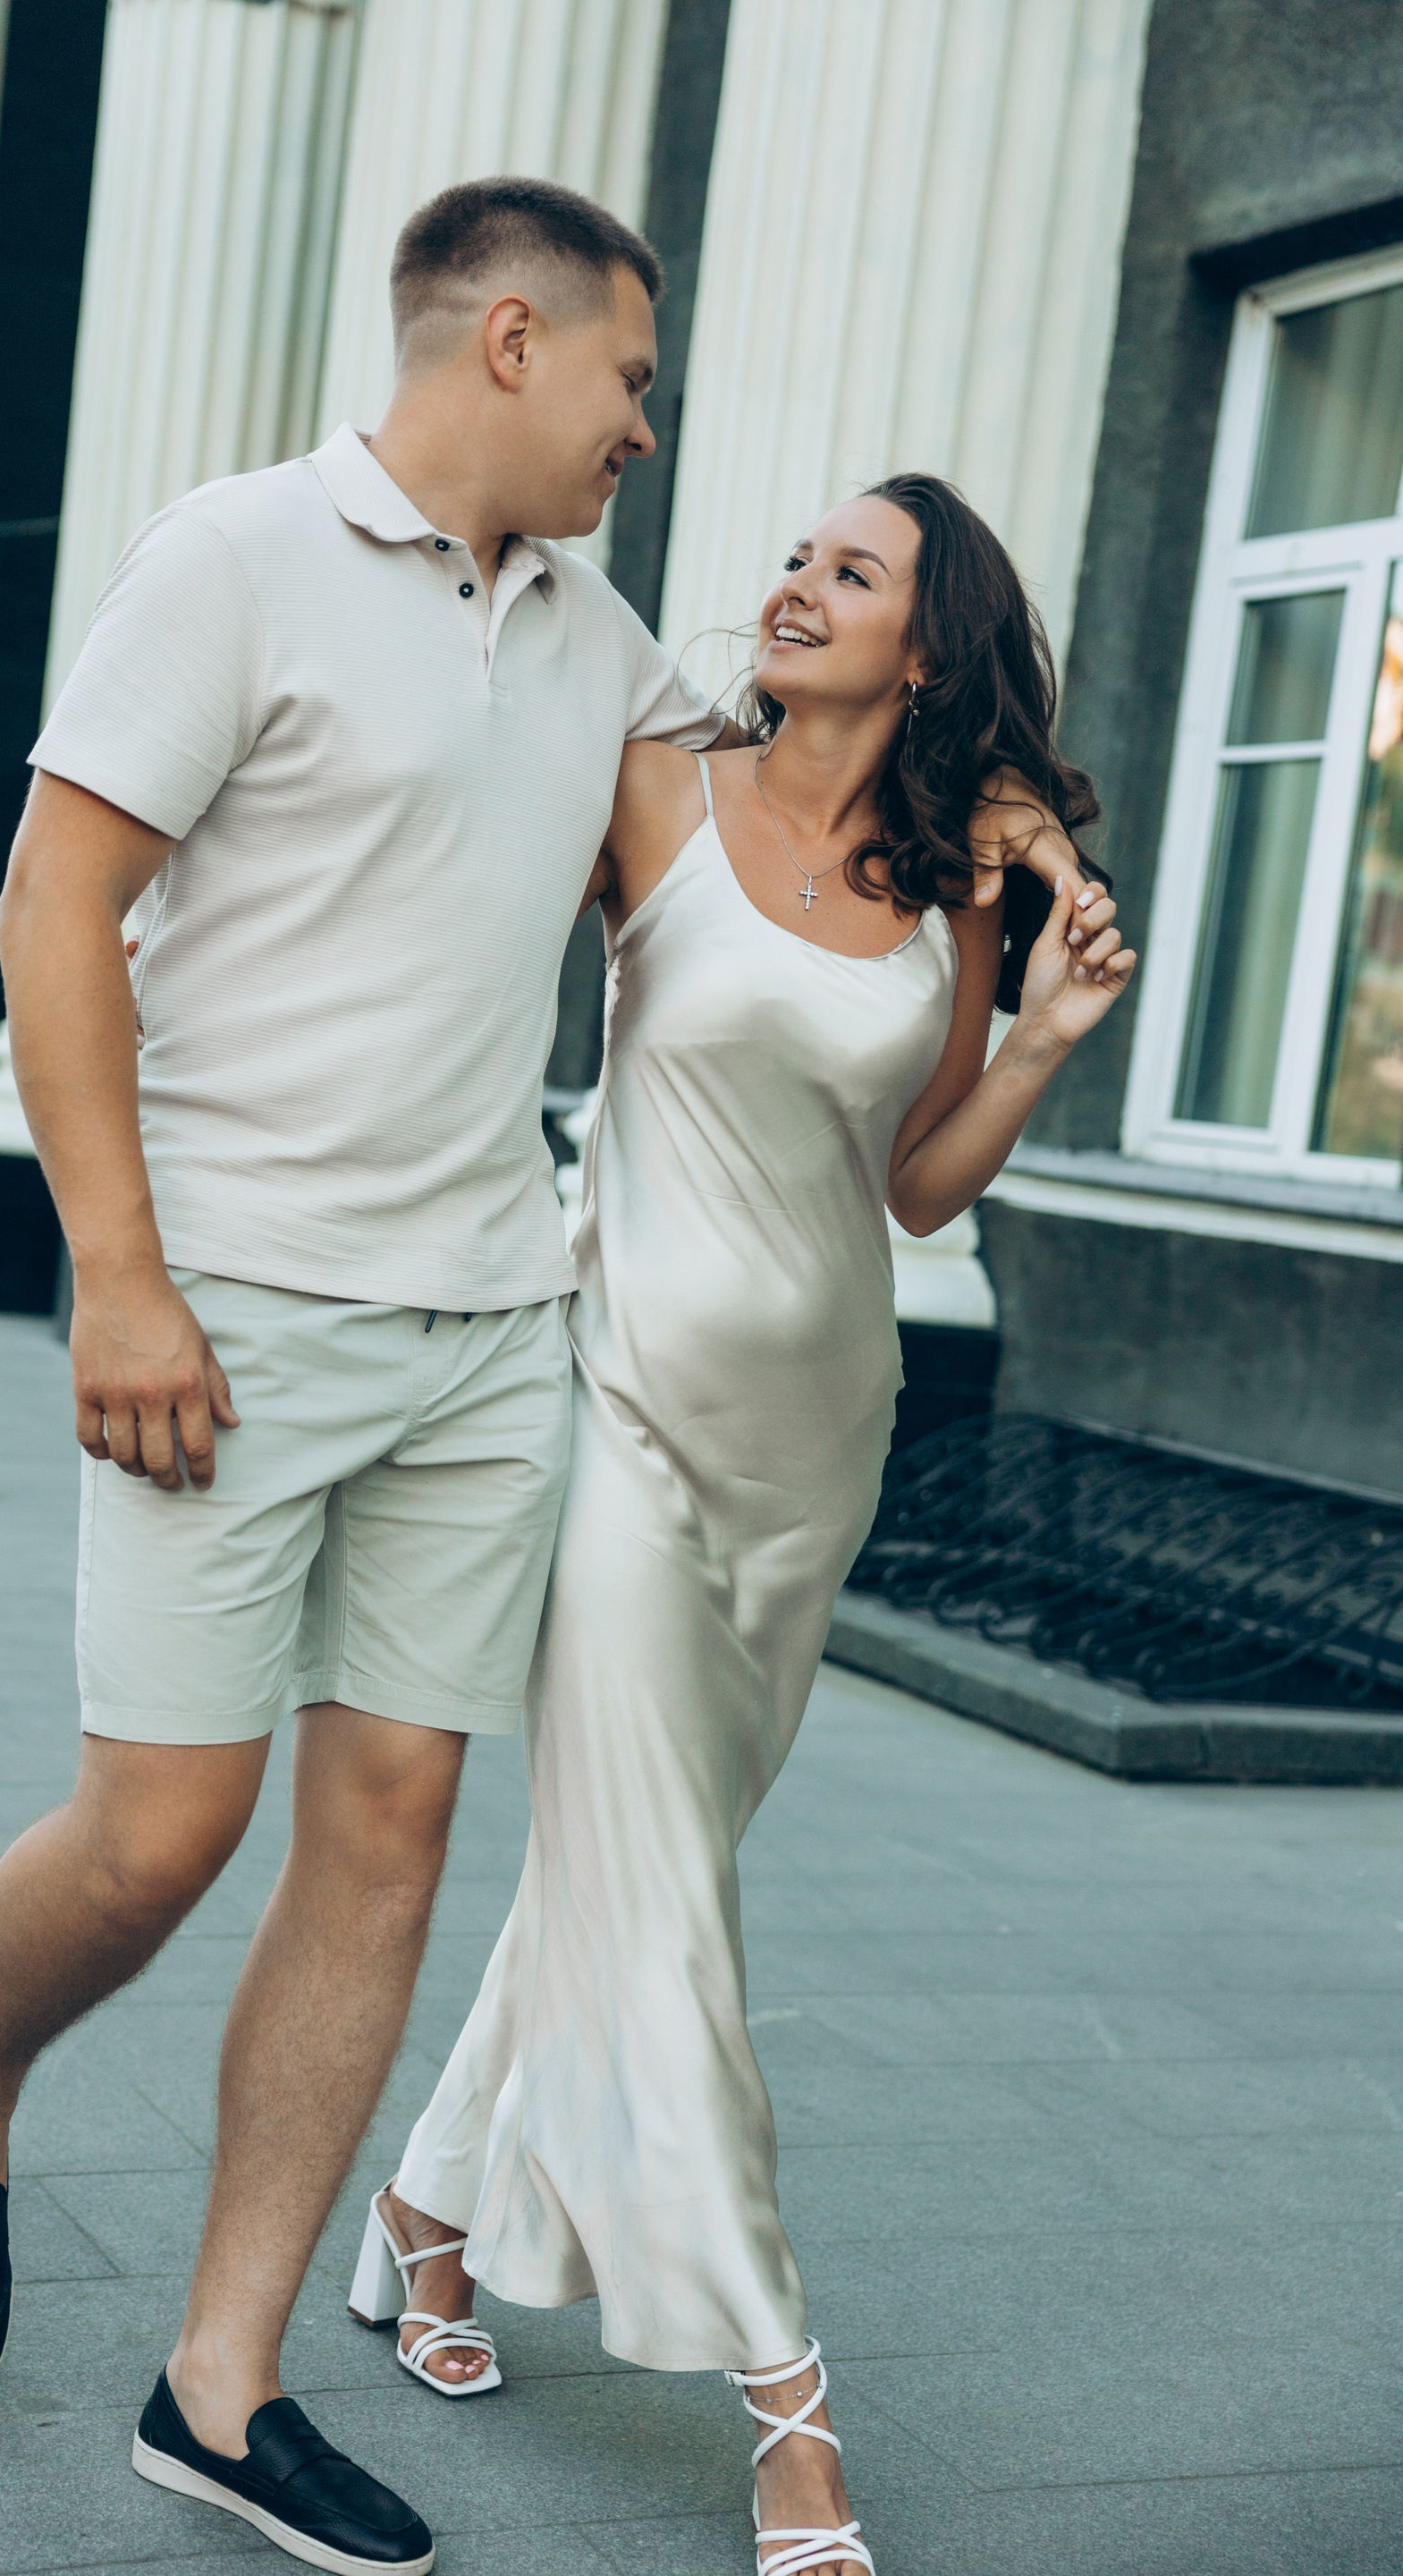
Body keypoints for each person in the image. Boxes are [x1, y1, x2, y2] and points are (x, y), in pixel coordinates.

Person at [0, 177, 741, 2576]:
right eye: (631, 379)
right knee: (161, 1836)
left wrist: (971, 802)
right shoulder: (236, 557)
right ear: (507, 339)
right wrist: (119, 1275)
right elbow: (53, 900)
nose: (643, 431)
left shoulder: (597, 634)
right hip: (230, 1309)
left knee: (388, 1838)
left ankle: (220, 2384)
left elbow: (742, 867)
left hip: (485, 1330)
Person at [352, 474, 1136, 2576]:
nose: (794, 583)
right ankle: (790, 2413)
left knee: (628, 1868)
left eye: (849, 572)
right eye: (795, 555)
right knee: (669, 1910)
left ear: (927, 648)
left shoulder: (952, 884)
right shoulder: (655, 785)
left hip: (816, 1443)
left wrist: (1045, 1034)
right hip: (613, 1409)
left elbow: (917, 1182)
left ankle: (427, 2215)